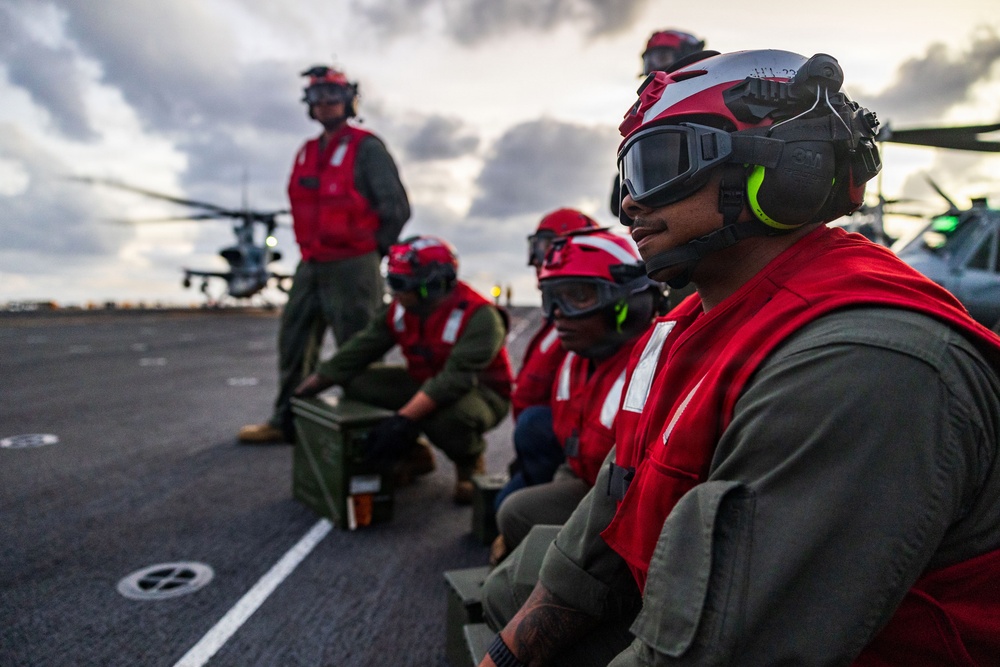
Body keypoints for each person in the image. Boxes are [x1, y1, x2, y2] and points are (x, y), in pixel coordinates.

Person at [479, 49, 1000, 667]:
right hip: (697, 599)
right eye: (628, 177)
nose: (628, 206)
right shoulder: (686, 325)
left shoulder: (862, 366)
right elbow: (620, 495)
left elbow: (720, 650)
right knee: (512, 590)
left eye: (656, 166)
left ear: (790, 167)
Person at [239, 65, 410, 444]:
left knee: (359, 349)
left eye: (333, 95)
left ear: (349, 100)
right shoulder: (307, 152)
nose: (325, 103)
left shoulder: (367, 147)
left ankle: (366, 428)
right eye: (317, 97)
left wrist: (370, 253)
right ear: (309, 105)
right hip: (312, 261)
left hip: (354, 263)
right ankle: (287, 420)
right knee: (294, 342)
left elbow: (396, 209)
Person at [294, 235, 512, 505]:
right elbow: (361, 349)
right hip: (425, 379)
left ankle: (469, 462)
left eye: (401, 283)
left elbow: (455, 379)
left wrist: (402, 421)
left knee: (449, 418)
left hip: (480, 393)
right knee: (358, 382)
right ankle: (416, 456)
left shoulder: (480, 317)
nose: (394, 291)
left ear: (431, 285)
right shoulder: (400, 309)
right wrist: (308, 388)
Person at [491, 229, 659, 565]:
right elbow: (575, 455)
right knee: (510, 511)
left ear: (625, 301)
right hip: (588, 480)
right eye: (551, 298)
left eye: (578, 296)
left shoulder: (656, 367)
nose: (557, 314)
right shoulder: (576, 361)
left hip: (634, 513)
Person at [494, 209, 601, 512]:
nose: (537, 261)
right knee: (501, 507)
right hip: (541, 448)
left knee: (507, 509)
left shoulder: (583, 321)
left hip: (565, 448)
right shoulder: (555, 315)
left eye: (545, 247)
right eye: (536, 248)